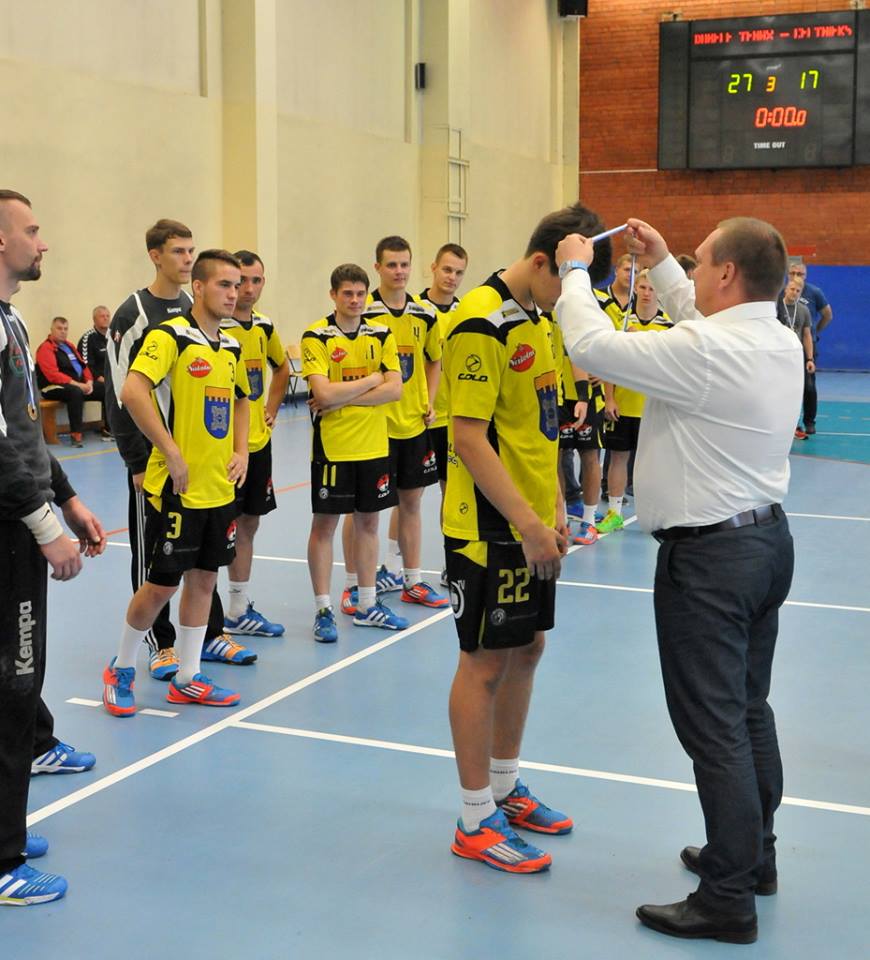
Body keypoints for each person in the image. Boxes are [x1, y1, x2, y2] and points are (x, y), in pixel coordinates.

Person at [556, 216, 802, 943]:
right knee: (748, 711)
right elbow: (698, 318)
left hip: (711, 563)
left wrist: (575, 270)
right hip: (764, 544)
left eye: (700, 263)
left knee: (715, 728)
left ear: (726, 274)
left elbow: (591, 345)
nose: (691, 274)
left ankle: (726, 899)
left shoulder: (708, 350)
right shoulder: (775, 336)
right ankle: (752, 859)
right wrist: (664, 263)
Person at [443, 202, 611, 874]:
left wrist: (557, 508)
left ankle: (505, 785)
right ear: (542, 261)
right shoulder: (479, 320)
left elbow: (537, 427)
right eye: (566, 281)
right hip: (491, 527)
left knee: (529, 646)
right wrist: (527, 522)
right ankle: (474, 817)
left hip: (535, 520)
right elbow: (468, 437)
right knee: (484, 662)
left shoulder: (538, 317)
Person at [1, 188, 106, 906]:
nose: (43, 242)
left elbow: (25, 431)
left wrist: (67, 495)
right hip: (9, 531)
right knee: (14, 686)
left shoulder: (10, 318)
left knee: (15, 686)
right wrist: (46, 527)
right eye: (32, 230)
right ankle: (3, 861)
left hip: (25, 514)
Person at [102, 250, 251, 716]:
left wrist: (242, 451)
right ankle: (121, 668)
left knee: (205, 581)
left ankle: (188, 676)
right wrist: (169, 451)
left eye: (237, 285)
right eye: (224, 284)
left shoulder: (231, 346)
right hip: (176, 489)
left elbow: (242, 399)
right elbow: (132, 390)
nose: (234, 293)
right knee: (161, 587)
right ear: (199, 287)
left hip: (218, 487)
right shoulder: (169, 336)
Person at [342, 236, 448, 614]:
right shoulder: (365, 313)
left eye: (404, 264)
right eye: (391, 265)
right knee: (362, 511)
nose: (399, 271)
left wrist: (428, 399)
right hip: (373, 427)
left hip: (413, 426)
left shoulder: (424, 314)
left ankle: (412, 581)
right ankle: (354, 585)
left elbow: (434, 359)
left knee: (411, 504)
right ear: (378, 268)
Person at [302, 264, 406, 642]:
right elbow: (323, 393)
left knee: (368, 525)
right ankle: (323, 609)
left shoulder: (381, 333)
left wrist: (342, 397)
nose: (356, 300)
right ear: (334, 295)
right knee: (324, 527)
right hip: (333, 449)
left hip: (374, 446)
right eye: (348, 293)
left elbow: (395, 389)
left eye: (361, 293)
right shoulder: (317, 335)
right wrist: (373, 379)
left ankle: (367, 605)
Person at [219, 250, 289, 638]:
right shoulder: (216, 327)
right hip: (221, 448)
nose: (247, 289)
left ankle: (237, 608)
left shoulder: (263, 326)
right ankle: (202, 619)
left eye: (255, 281)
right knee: (217, 528)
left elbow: (282, 368)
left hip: (257, 445)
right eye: (240, 280)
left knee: (249, 523)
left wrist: (271, 409)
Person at [597, 270, 672, 533]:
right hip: (623, 405)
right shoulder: (620, 321)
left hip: (653, 408)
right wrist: (609, 398)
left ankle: (659, 516)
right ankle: (614, 513)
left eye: (652, 289)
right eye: (642, 287)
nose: (647, 293)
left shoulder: (669, 326)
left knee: (655, 463)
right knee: (618, 458)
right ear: (635, 289)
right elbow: (610, 362)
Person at [419, 242, 468, 582]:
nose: (452, 277)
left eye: (459, 272)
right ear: (433, 267)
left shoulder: (466, 313)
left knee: (451, 492)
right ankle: (394, 565)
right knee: (408, 495)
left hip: (456, 416)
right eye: (447, 269)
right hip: (421, 416)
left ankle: (453, 562)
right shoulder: (415, 309)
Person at [36, 316, 105, 447]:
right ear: (52, 329)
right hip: (52, 387)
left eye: (65, 329)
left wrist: (89, 382)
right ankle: (76, 434)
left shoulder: (69, 346)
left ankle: (109, 430)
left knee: (105, 388)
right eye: (59, 328)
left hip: (76, 385)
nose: (63, 331)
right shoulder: (45, 348)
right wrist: (79, 385)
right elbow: (53, 375)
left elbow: (84, 367)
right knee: (76, 392)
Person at [787, 260, 830, 434]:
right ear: (787, 275)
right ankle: (788, 422)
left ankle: (809, 421)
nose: (796, 277)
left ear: (806, 276)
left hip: (806, 348)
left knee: (809, 387)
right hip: (786, 349)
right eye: (793, 273)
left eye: (800, 274)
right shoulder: (780, 294)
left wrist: (814, 332)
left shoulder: (814, 292)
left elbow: (827, 314)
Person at [779, 278, 815, 440]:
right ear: (786, 289)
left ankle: (797, 424)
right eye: (792, 289)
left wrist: (810, 359)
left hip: (797, 358)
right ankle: (782, 424)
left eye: (798, 291)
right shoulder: (776, 307)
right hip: (779, 357)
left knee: (801, 391)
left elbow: (807, 335)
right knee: (780, 391)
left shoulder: (803, 310)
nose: (794, 293)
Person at [77, 305, 112, 438]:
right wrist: (102, 379)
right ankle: (110, 429)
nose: (106, 318)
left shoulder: (113, 337)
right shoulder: (88, 338)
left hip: (110, 379)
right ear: (94, 319)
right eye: (102, 316)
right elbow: (86, 366)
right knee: (109, 389)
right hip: (91, 382)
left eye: (108, 316)